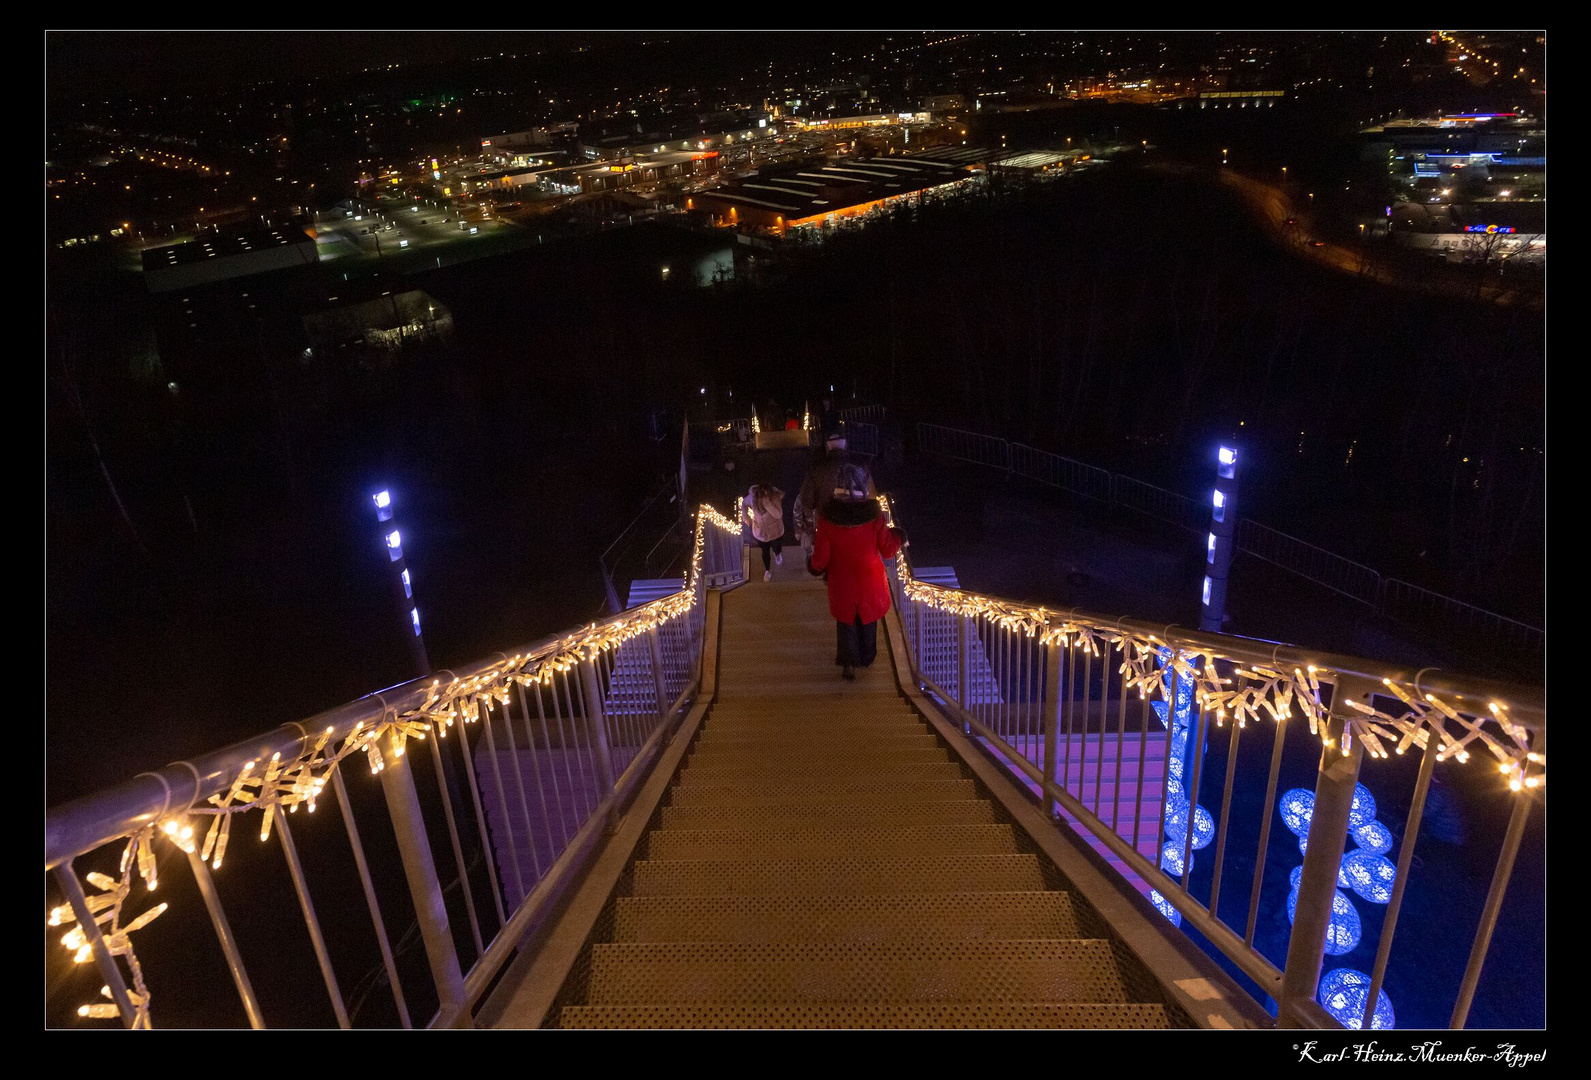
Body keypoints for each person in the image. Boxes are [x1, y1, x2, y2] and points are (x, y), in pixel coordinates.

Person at [809, 463, 906, 680]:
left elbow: (821, 558)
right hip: (869, 579)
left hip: (841, 581)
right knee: (868, 619)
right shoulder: (875, 515)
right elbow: (889, 550)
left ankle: (848, 663)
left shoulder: (827, 518)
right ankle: (866, 657)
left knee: (846, 623)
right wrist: (899, 535)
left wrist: (813, 566)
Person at [795, 433, 864, 558]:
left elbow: (807, 500)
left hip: (826, 519)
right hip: (853, 522)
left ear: (828, 447)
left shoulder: (817, 468)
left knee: (829, 551)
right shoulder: (858, 468)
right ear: (845, 446)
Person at [743, 482, 786, 581]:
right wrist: (746, 518)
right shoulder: (753, 498)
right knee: (765, 552)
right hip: (761, 532)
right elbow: (744, 503)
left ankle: (777, 553)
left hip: (776, 530)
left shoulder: (774, 498)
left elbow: (778, 515)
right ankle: (767, 570)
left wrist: (767, 504)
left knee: (777, 545)